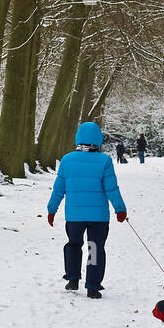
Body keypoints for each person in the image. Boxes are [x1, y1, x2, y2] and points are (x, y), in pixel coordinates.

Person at [47, 121, 127, 299]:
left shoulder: (67, 160)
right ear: (98, 139)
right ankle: (92, 286)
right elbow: (111, 188)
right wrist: (120, 209)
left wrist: (52, 209)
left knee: (73, 245)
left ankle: (73, 278)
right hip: (99, 217)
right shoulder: (104, 161)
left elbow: (59, 189)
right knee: (95, 248)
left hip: (74, 215)